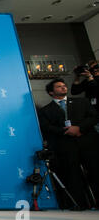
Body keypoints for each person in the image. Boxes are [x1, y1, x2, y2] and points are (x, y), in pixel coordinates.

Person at [38, 78, 99, 210]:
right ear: (50, 92)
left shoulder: (82, 102)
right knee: (72, 176)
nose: (63, 88)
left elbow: (94, 117)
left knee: (95, 171)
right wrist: (65, 131)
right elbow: (46, 127)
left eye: (64, 85)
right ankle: (79, 204)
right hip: (65, 146)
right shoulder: (45, 110)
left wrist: (79, 128)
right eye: (59, 86)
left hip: (87, 143)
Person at [71, 60, 99, 132]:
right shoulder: (87, 80)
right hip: (93, 113)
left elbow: (95, 89)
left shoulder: (90, 79)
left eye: (96, 67)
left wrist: (89, 76)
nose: (95, 70)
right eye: (92, 69)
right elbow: (74, 91)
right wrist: (77, 76)